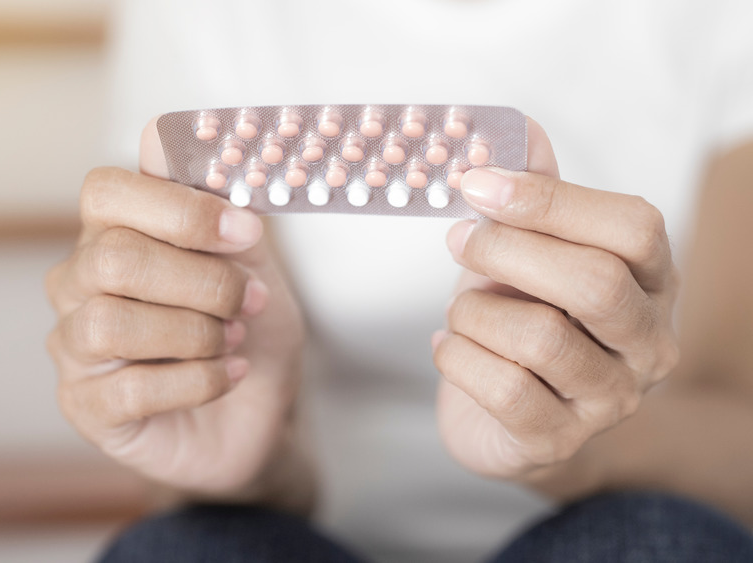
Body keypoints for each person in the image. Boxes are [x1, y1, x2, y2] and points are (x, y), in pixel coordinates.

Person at [45, 1, 753, 560]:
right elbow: (205, 431)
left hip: (633, 498)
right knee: (183, 550)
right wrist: (248, 462)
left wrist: (570, 444)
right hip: (309, 515)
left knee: (645, 542)